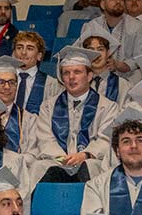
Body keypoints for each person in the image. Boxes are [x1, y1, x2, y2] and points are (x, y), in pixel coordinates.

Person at [39, 45, 119, 182]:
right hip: (58, 160)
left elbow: (105, 139)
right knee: (38, 167)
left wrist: (84, 155)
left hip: (90, 160)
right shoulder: (48, 106)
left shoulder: (108, 107)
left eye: (77, 72)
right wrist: (62, 158)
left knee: (92, 167)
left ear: (89, 76)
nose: (71, 77)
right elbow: (45, 139)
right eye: (66, 73)